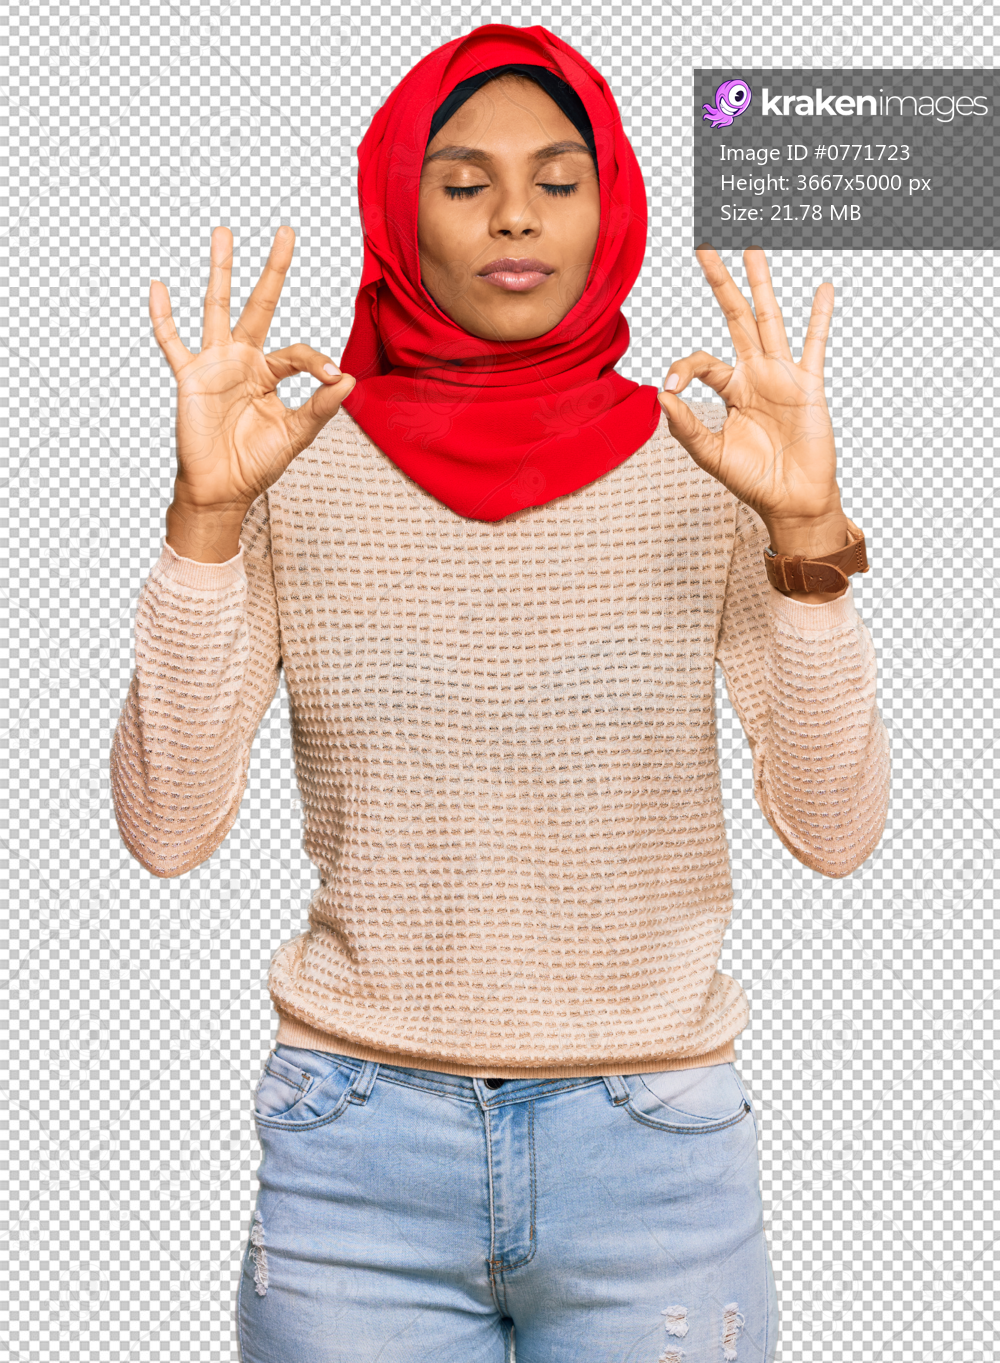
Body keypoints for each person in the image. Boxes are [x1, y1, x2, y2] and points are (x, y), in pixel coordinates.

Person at [110, 23, 889, 1363]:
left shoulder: (713, 459)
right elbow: (168, 828)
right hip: (355, 1152)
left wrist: (808, 532)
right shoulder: (289, 461)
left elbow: (836, 828)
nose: (515, 213)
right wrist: (204, 520)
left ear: (612, 205)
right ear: (398, 212)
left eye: (558, 178)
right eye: (462, 181)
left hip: (658, 1157)